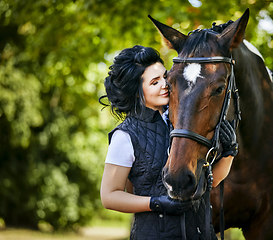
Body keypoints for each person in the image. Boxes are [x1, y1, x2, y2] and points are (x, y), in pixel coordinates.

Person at [99, 45, 238, 240]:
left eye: (165, 77)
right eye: (155, 82)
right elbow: (109, 196)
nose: (165, 84)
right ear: (137, 91)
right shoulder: (125, 136)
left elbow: (210, 183)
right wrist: (155, 203)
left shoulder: (184, 124)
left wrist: (230, 152)